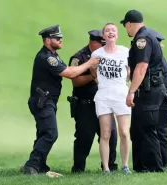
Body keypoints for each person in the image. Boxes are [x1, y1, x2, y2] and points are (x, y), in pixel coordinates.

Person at [20, 24, 99, 175]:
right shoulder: (47, 58)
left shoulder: (53, 56)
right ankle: (32, 165)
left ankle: (40, 165)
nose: (61, 40)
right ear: (47, 40)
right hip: (43, 101)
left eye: (61, 37)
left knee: (44, 133)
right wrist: (89, 63)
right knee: (50, 133)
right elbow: (70, 73)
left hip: (46, 100)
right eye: (57, 38)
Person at [120, 10, 167, 173]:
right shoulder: (148, 35)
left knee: (147, 128)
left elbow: (142, 67)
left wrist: (131, 91)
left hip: (149, 90)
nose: (126, 30)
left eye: (125, 26)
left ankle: (154, 167)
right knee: (137, 129)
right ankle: (140, 166)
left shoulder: (142, 39)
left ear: (129, 24)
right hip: (146, 89)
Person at [68, 30, 118, 173]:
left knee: (111, 136)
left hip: (105, 103)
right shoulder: (79, 57)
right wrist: (93, 76)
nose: (104, 46)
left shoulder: (107, 55)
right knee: (84, 137)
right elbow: (75, 81)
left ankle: (110, 167)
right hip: (86, 105)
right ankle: (78, 169)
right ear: (93, 42)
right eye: (102, 44)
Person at [90, 23, 132, 174]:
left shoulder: (125, 52)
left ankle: (125, 165)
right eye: (107, 31)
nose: (110, 33)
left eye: (113, 30)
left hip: (121, 93)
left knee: (124, 132)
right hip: (103, 95)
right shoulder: (97, 54)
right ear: (103, 36)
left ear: (117, 35)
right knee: (105, 133)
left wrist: (125, 81)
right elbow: (93, 73)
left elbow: (129, 72)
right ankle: (106, 168)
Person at [147, 28, 167, 169]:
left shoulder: (155, 58)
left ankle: (164, 165)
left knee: (160, 130)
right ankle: (160, 163)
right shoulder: (158, 56)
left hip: (166, 100)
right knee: (158, 130)